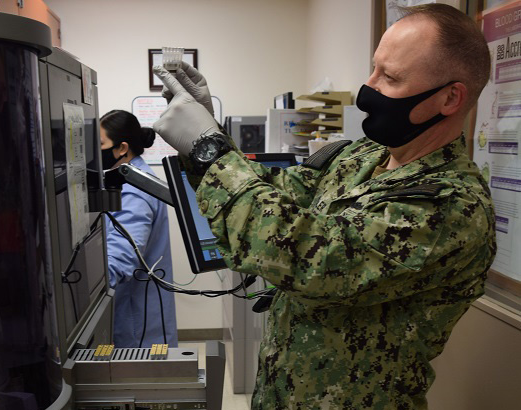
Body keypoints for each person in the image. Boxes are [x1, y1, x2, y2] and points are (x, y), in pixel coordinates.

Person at [152, 4, 496, 409]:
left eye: (391, 77)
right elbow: (279, 192)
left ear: (450, 98)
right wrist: (213, 130)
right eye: (374, 68)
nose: (369, 88)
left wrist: (209, 149)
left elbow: (307, 257)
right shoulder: (364, 156)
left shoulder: (451, 206)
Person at [100, 109, 178, 348]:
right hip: (141, 312)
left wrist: (85, 290)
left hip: (137, 322)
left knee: (145, 382)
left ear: (122, 148)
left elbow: (124, 254)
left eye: (100, 144)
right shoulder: (134, 176)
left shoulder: (133, 190)